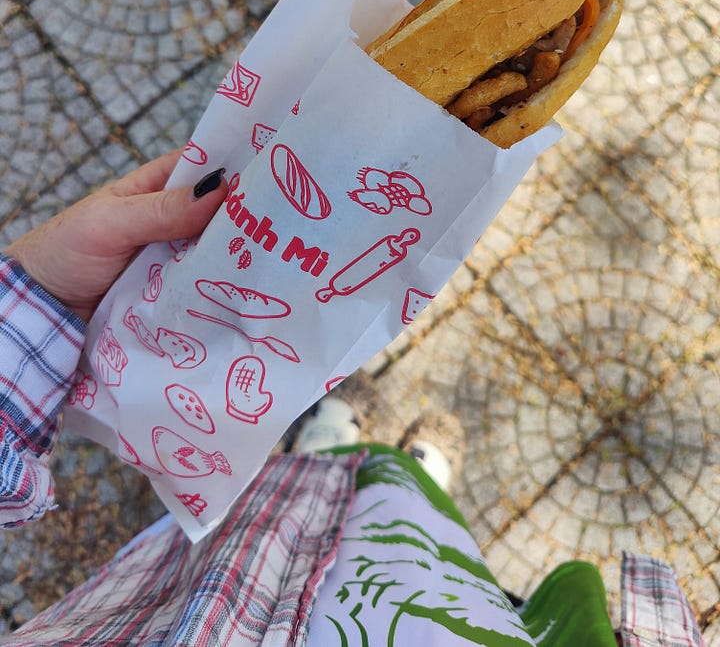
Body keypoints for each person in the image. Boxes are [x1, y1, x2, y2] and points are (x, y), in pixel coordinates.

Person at [0, 152, 703, 646]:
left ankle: (326, 449)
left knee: (274, 500)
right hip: (429, 615)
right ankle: (412, 482)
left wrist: (42, 295)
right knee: (412, 532)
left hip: (178, 599)